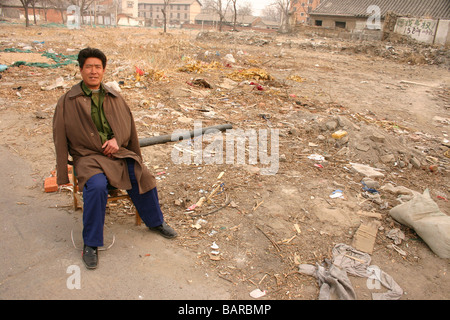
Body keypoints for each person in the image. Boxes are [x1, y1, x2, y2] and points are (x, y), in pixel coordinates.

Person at [53, 47, 177, 269]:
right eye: (89, 67)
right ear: (80, 69)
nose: (93, 71)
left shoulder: (115, 96)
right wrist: (62, 173)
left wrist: (117, 141)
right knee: (98, 185)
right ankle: (91, 244)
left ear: (103, 70)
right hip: (87, 158)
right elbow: (60, 139)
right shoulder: (66, 101)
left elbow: (128, 128)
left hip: (115, 153)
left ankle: (155, 222)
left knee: (141, 174)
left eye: (98, 67)